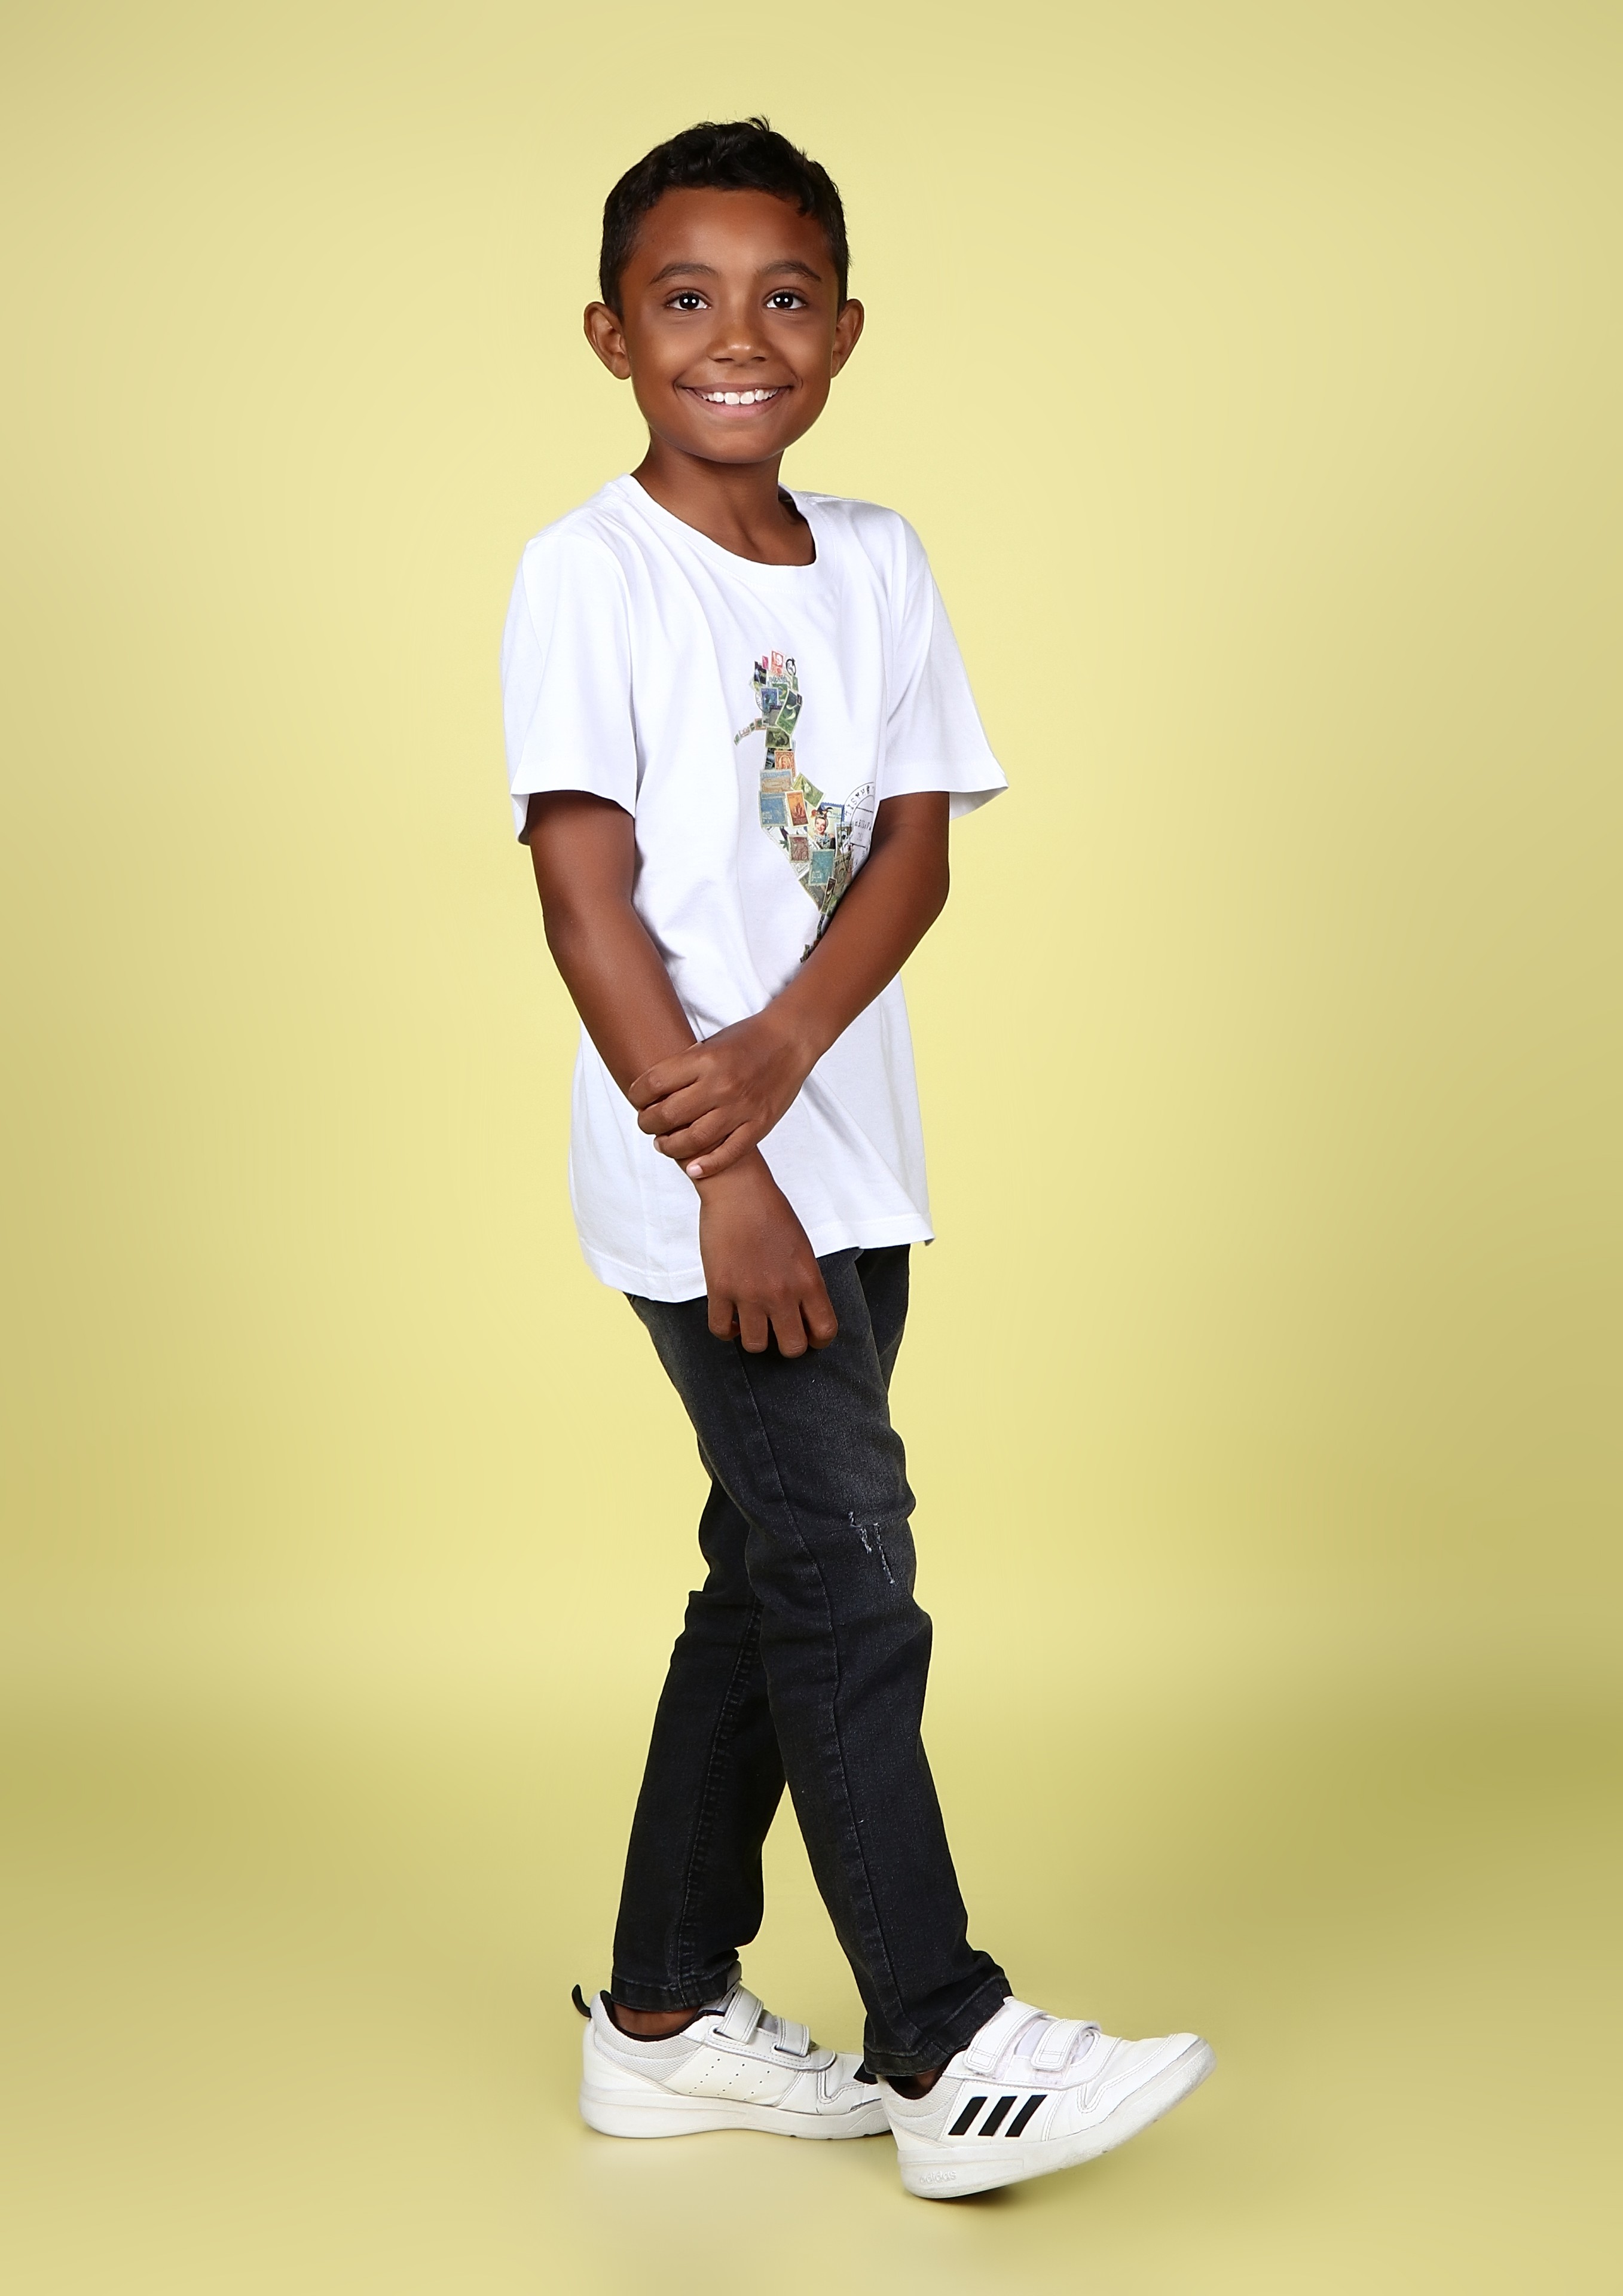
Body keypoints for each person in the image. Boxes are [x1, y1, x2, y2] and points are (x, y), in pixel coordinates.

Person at [500, 117, 1214, 2200]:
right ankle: (946, 2041)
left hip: (851, 1159)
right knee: (844, 1573)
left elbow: (911, 844)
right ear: (611, 334)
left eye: (784, 297)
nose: (738, 337)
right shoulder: (589, 572)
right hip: (709, 1192)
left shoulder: (880, 559)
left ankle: (658, 2018)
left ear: (843, 330)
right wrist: (724, 1161)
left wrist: (787, 1062)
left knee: (768, 1572)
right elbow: (581, 897)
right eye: (685, 299)